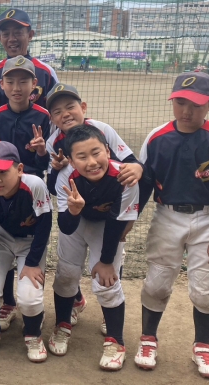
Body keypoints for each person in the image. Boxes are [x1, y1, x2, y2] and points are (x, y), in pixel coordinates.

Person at [133, 72, 209, 379]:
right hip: (168, 215)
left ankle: (203, 345)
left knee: (206, 291)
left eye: (196, 105)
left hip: (208, 219)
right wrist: (129, 220)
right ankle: (148, 339)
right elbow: (145, 185)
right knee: (157, 283)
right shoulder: (157, 137)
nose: (186, 111)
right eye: (180, 102)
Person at [44, 83, 142, 329]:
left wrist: (138, 168)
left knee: (108, 268)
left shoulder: (102, 130)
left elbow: (130, 163)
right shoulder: (53, 142)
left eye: (70, 107)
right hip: (79, 213)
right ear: (52, 118)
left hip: (110, 212)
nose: (65, 114)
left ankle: (112, 320)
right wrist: (56, 169)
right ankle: (72, 307)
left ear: (83, 107)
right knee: (68, 268)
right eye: (57, 111)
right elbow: (54, 188)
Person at [52, 125, 139, 371]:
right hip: (78, 222)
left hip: (107, 226)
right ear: (71, 161)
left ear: (108, 151)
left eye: (96, 153)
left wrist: (107, 260)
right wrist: (73, 211)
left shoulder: (124, 177)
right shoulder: (66, 177)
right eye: (81, 156)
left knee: (106, 281)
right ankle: (62, 324)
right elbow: (65, 227)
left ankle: (116, 341)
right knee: (66, 273)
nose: (91, 162)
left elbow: (117, 222)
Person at [0, 142, 52, 363]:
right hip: (3, 240)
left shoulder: (34, 185)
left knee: (30, 299)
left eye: (3, 172)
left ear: (19, 169)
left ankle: (33, 334)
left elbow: (45, 225)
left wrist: (33, 262)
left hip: (31, 242)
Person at [0, 56, 51, 178]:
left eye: (23, 82)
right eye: (10, 82)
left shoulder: (44, 116)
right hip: (1, 176)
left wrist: (41, 152)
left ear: (34, 84)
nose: (16, 88)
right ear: (2, 84)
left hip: (31, 178)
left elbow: (45, 165)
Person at [0, 8, 59, 112]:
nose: (12, 39)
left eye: (18, 33)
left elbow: (58, 109)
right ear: (0, 38)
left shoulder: (46, 72)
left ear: (30, 35)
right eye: (6, 34)